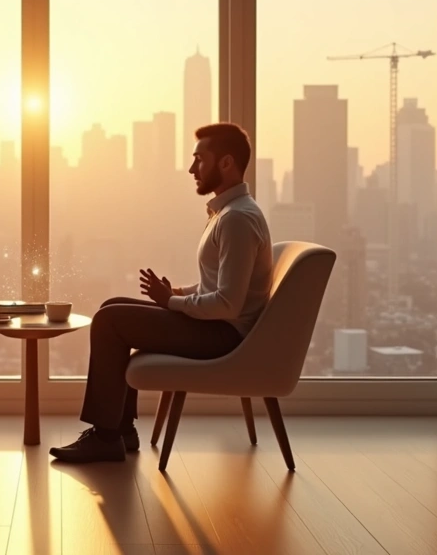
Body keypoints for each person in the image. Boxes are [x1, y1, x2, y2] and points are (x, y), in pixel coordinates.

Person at [50, 122, 273, 463]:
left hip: (224, 336)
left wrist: (172, 302)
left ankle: (107, 435)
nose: (191, 168)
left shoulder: (237, 220)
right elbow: (219, 285)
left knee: (109, 320)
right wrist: (176, 293)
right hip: (217, 328)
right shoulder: (228, 213)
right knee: (113, 306)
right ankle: (121, 430)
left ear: (226, 163)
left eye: (200, 159)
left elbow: (228, 303)